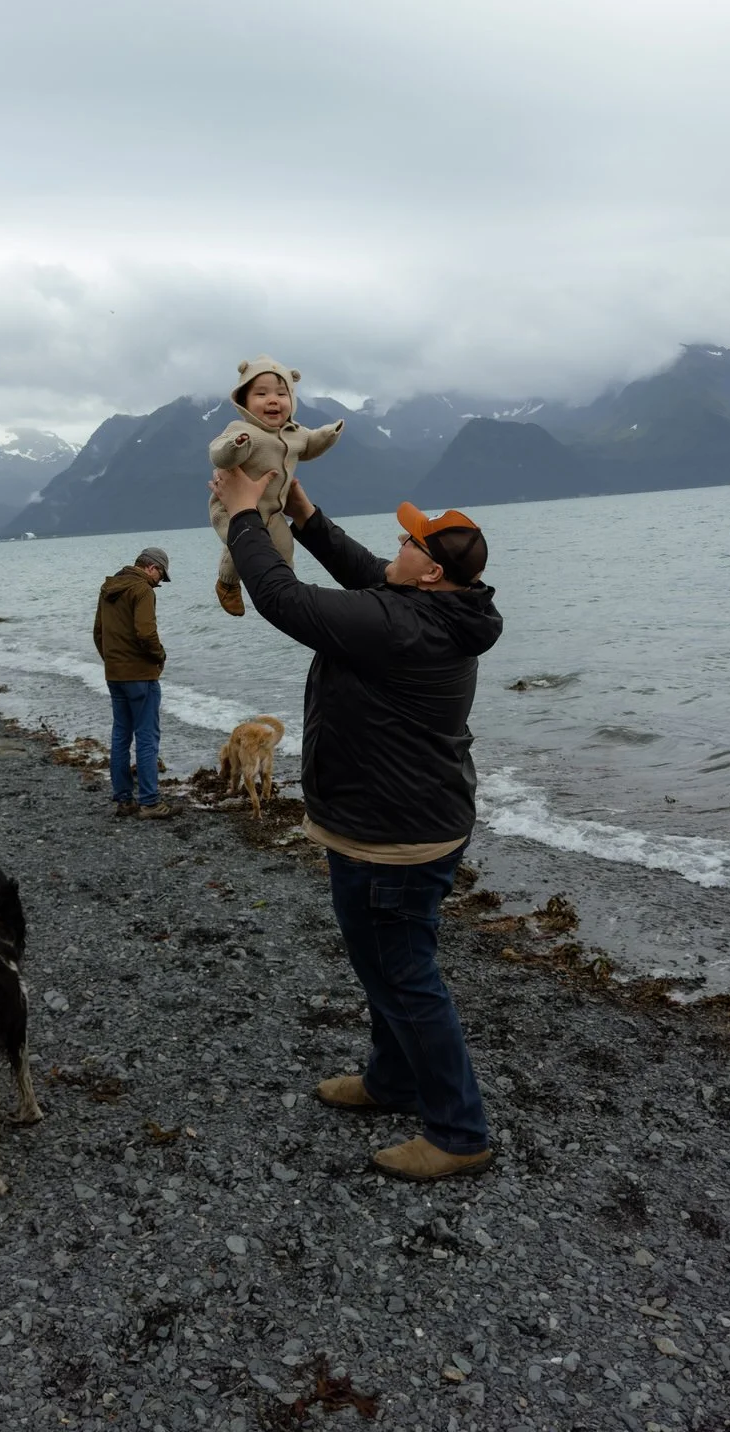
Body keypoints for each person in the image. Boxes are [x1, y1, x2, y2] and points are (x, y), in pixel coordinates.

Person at [209, 463, 502, 1182]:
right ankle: (392, 1079)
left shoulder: (398, 624)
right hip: (384, 818)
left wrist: (245, 515)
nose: (393, 548)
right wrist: (304, 515)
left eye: (407, 543)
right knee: (379, 964)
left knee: (405, 974)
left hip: (396, 835)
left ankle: (460, 1133)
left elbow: (282, 599)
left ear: (430, 572)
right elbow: (365, 570)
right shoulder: (433, 605)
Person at [207, 354, 343, 617]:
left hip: (272, 512)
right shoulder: (240, 430)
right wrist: (235, 445)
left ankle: (286, 586)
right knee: (241, 546)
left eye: (282, 393)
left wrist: (328, 435)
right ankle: (227, 582)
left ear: (291, 400)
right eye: (261, 393)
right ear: (244, 402)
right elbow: (217, 453)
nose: (273, 400)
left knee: (284, 548)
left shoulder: (295, 433)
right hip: (232, 509)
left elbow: (311, 444)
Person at [93, 546, 172, 821]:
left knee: (120, 737)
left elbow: (98, 633)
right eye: (161, 575)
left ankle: (124, 800)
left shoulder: (108, 589)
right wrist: (159, 656)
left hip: (115, 675)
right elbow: (146, 632)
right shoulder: (142, 590)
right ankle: (150, 802)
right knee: (147, 738)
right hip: (141, 676)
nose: (159, 582)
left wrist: (112, 662)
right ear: (151, 567)